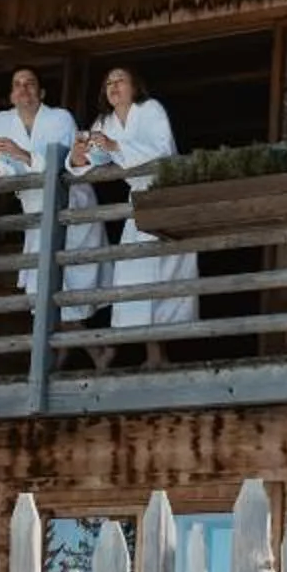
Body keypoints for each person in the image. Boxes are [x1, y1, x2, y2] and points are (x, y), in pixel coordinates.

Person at [78, 66, 199, 364]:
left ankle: (163, 354)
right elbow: (88, 160)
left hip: (165, 193)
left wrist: (116, 146)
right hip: (138, 201)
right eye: (108, 82)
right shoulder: (104, 121)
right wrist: (80, 153)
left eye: (120, 80)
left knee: (167, 277)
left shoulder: (150, 109)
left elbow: (163, 151)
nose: (113, 86)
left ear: (135, 87)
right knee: (136, 274)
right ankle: (152, 354)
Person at [0, 67, 100, 323]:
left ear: (41, 92)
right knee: (43, 285)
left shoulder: (60, 118)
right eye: (17, 84)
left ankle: (92, 351)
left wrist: (23, 154)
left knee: (72, 278)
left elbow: (66, 163)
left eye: (30, 83)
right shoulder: (1, 121)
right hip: (33, 209)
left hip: (71, 204)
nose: (23, 89)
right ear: (11, 95)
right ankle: (95, 352)